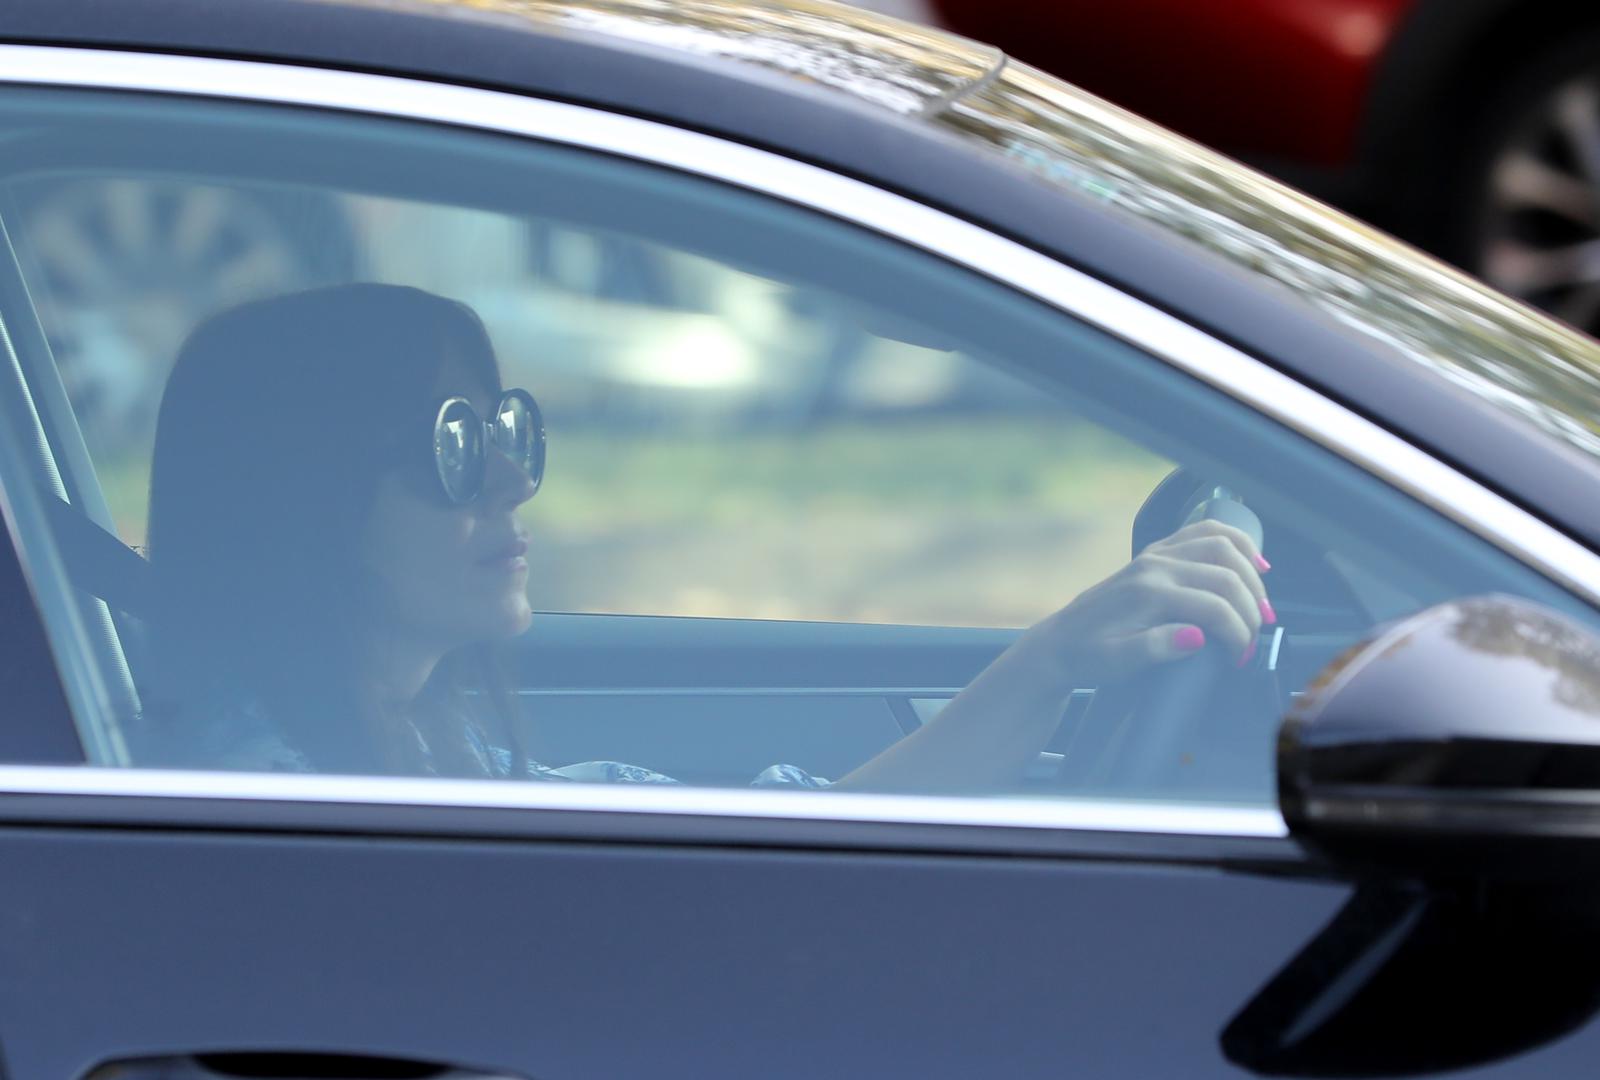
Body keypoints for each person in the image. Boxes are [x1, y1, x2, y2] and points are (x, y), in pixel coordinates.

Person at [135, 284, 1272, 791]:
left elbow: (782, 856)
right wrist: (1051, 660)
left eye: (507, 427)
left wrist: (1053, 661)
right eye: (453, 443)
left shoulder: (420, 747)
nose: (512, 480)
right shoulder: (281, 804)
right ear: (308, 497)